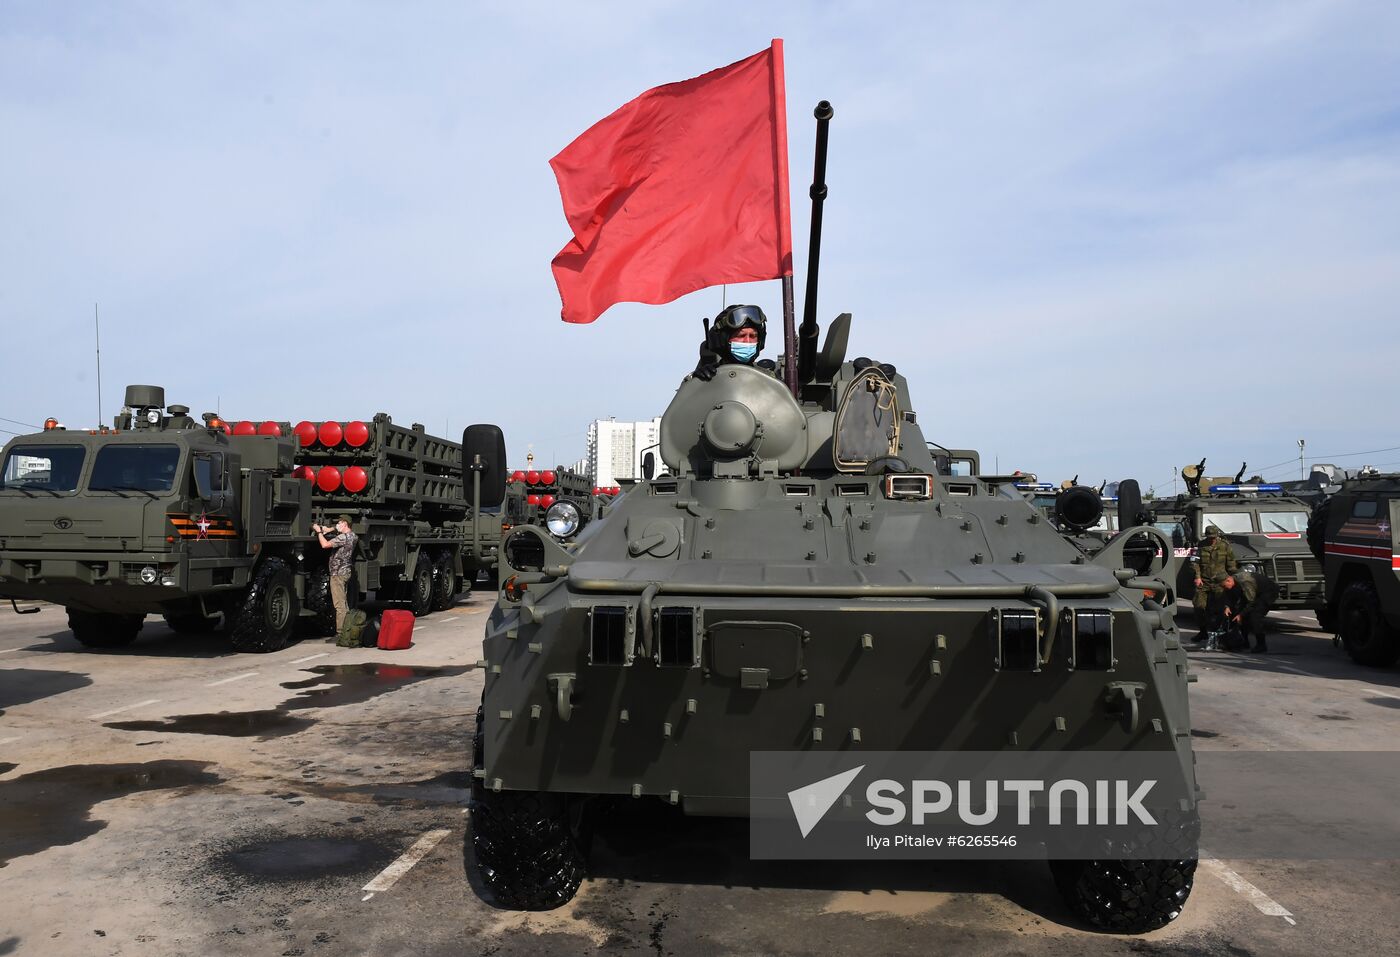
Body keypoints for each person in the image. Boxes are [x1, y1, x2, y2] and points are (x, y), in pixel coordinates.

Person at [692, 304, 775, 380]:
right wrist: (697, 383)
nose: (748, 341)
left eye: (753, 336)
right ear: (722, 341)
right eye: (741, 336)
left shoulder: (771, 380)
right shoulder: (708, 378)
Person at [1191, 524, 1238, 645]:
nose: (1211, 539)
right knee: (1198, 606)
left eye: (1213, 537)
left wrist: (1232, 579)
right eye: (1209, 537)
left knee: (1221, 608)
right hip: (1204, 581)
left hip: (1220, 582)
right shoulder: (1200, 545)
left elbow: (1231, 565)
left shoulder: (1225, 546)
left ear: (1217, 536)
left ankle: (1219, 633)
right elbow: (1194, 562)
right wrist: (1197, 577)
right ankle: (1202, 632)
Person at [313, 514, 357, 634]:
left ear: (345, 524)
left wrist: (319, 532)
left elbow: (325, 545)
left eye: (340, 522)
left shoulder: (343, 538)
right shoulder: (353, 536)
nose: (338, 524)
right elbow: (340, 531)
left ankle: (341, 632)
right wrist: (329, 529)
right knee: (344, 603)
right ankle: (347, 629)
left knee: (339, 605)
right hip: (345, 572)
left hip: (337, 574)